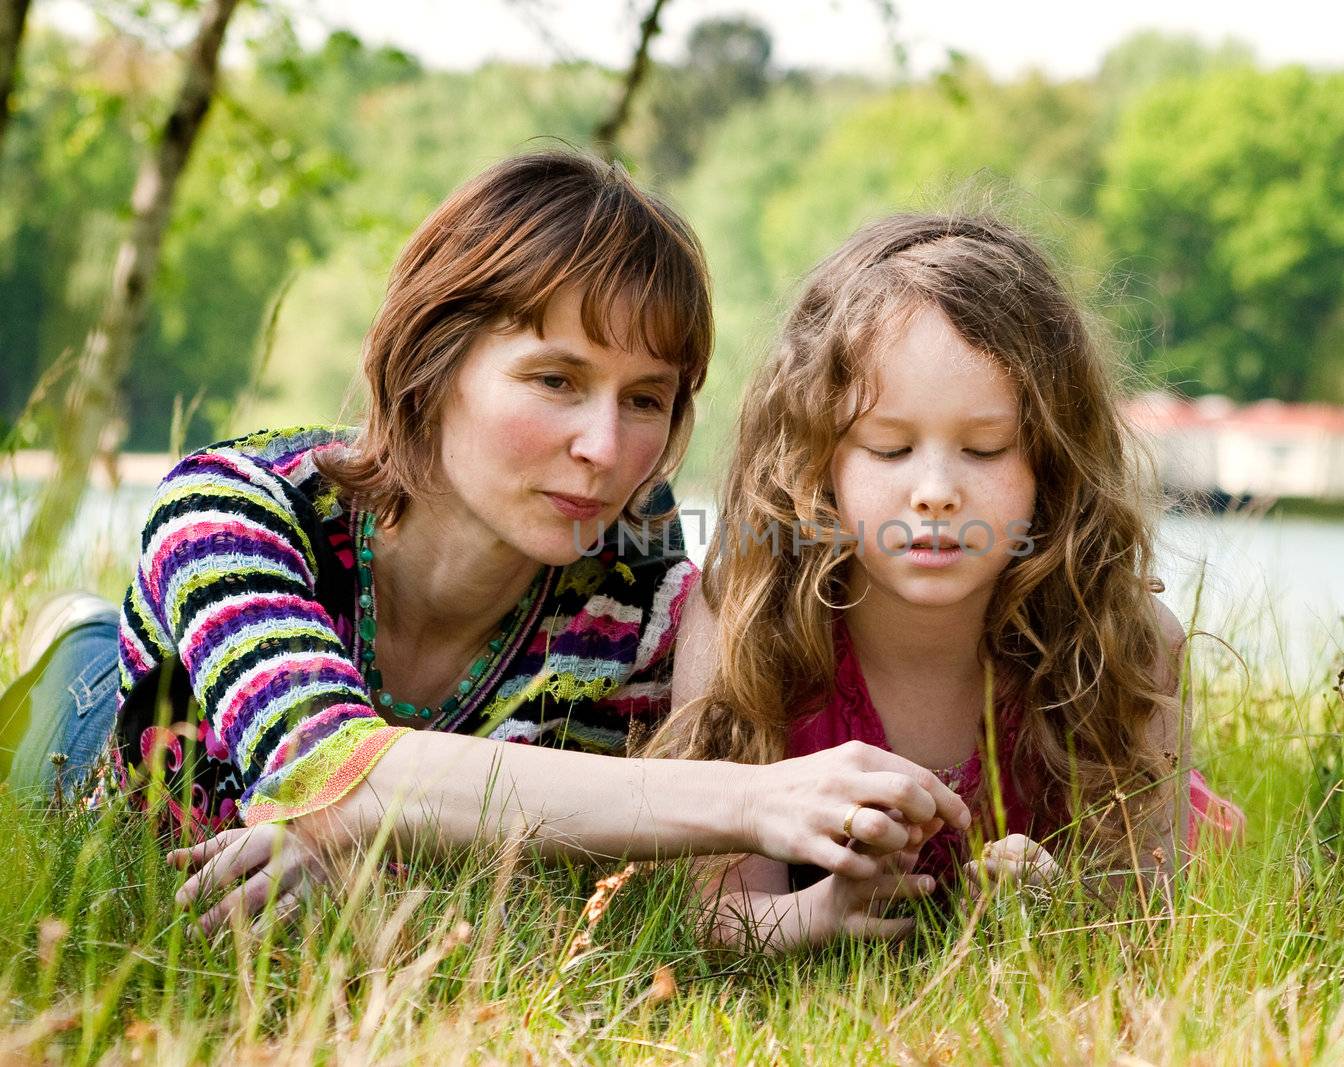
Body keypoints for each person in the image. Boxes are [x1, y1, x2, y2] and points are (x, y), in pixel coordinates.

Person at [0, 151, 967, 934]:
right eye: (554, 379)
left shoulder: (644, 607)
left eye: (645, 400)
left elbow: (574, 885)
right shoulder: (230, 510)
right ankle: (80, 645)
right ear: (433, 360)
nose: (603, 447)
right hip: (103, 738)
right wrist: (752, 798)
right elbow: (335, 773)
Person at [648, 213, 1243, 954]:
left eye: (985, 448)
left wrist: (1056, 913)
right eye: (890, 447)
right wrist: (823, 914)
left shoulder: (1124, 642)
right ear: (816, 461)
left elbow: (1150, 917)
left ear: (1051, 465)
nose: (935, 491)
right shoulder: (744, 624)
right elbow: (716, 914)